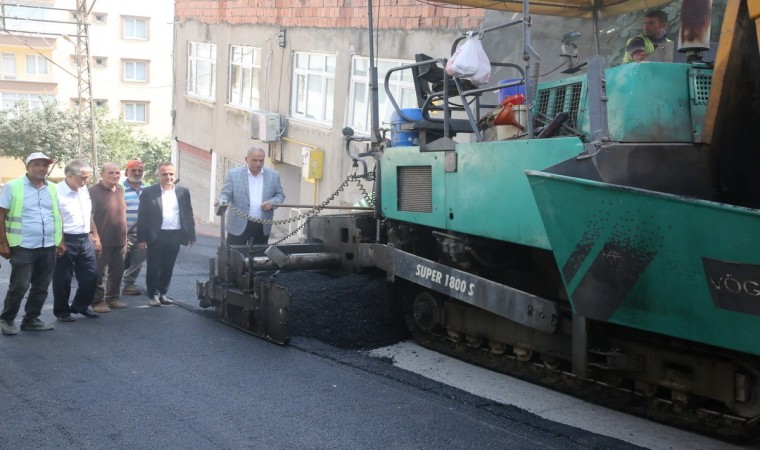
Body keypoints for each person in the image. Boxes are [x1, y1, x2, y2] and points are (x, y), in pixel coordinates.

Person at [0, 152, 63, 335]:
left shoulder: (52, 188)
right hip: (23, 245)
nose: (41, 168)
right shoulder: (13, 187)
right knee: (19, 285)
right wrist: (2, 243)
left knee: (42, 286)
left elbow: (56, 216)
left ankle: (31, 318)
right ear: (28, 167)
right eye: (36, 164)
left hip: (48, 245)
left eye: (44, 165)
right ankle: (7, 318)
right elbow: (1, 214)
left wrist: (60, 240)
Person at [136, 162, 196, 307]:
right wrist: (141, 238)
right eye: (164, 174)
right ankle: (153, 295)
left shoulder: (183, 192)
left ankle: (163, 293)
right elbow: (142, 216)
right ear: (158, 175)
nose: (168, 177)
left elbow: (188, 214)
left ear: (175, 175)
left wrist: (191, 235)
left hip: (175, 234)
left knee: (168, 266)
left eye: (171, 174)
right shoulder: (149, 192)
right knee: (154, 267)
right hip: (156, 235)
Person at [52, 160, 101, 321]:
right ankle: (62, 312)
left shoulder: (83, 189)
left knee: (92, 275)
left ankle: (80, 305)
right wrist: (60, 241)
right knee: (63, 278)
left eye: (87, 178)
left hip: (84, 237)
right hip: (65, 238)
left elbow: (89, 215)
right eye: (83, 177)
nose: (86, 181)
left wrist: (95, 235)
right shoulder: (56, 192)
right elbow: (54, 218)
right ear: (69, 175)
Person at [217, 147, 285, 245]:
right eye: (254, 160)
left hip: (262, 225)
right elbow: (225, 194)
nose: (258, 163)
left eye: (261, 160)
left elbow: (280, 196)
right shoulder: (234, 174)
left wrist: (272, 203)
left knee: (259, 258)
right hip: (238, 224)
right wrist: (221, 201)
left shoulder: (273, 175)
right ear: (246, 159)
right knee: (234, 256)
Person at [89, 162, 128, 313]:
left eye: (117, 173)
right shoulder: (93, 191)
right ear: (102, 174)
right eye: (111, 173)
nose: (115, 176)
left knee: (117, 271)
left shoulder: (119, 189)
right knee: (98, 273)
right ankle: (97, 301)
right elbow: (90, 217)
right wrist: (95, 237)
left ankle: (113, 298)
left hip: (120, 240)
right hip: (102, 240)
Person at [121, 160, 148, 296]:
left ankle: (128, 285)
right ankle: (109, 288)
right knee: (119, 262)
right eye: (133, 171)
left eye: (140, 171)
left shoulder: (148, 188)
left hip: (142, 234)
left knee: (138, 260)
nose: (137, 173)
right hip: (123, 234)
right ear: (127, 172)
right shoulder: (119, 188)